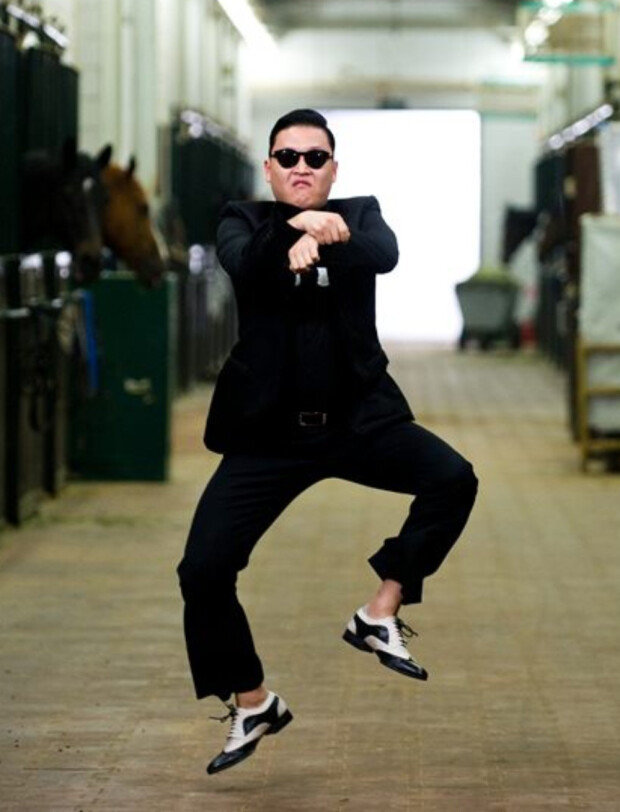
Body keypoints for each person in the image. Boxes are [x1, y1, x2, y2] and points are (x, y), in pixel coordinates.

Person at [177, 109, 478, 775]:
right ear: (269, 167)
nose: (302, 167)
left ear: (333, 169)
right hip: (268, 436)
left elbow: (383, 255)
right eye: (288, 157)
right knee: (202, 571)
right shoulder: (241, 219)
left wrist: (323, 231)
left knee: (453, 479)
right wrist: (298, 227)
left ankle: (380, 611)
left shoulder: (360, 214)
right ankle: (253, 700)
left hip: (357, 423)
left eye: (316, 158)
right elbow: (244, 262)